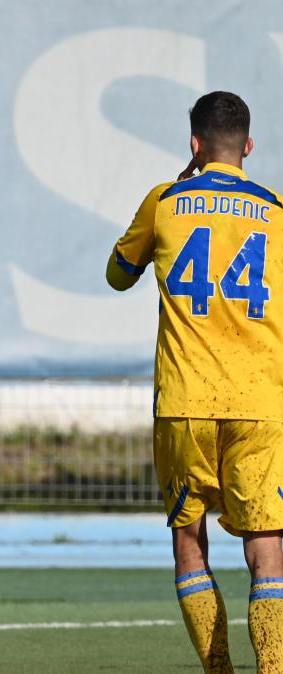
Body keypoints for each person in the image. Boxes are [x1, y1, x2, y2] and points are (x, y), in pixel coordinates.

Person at [107, 91, 283, 673]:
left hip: (184, 400)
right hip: (261, 400)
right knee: (267, 549)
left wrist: (180, 189)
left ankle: (219, 672)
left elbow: (117, 275)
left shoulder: (165, 200)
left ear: (194, 144)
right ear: (248, 147)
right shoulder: (278, 211)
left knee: (190, 540)